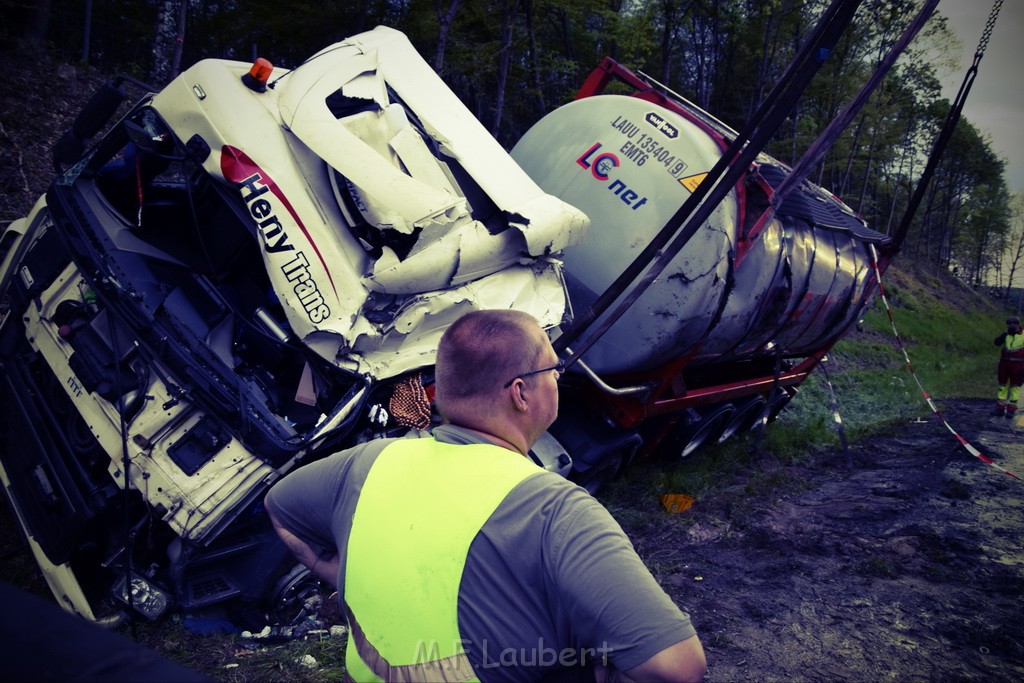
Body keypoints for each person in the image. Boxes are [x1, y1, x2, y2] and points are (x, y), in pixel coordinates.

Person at [264, 309, 706, 683]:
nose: (557, 380)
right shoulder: (556, 510)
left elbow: (279, 507)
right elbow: (678, 666)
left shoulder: (370, 461)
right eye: (553, 370)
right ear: (520, 393)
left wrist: (342, 575)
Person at [994, 315, 1024, 417]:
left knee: (1015, 387)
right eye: (1009, 324)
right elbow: (996, 343)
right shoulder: (1006, 334)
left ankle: (1011, 409)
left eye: (1013, 324)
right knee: (1002, 385)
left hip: (1018, 366)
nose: (1011, 326)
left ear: (1018, 325)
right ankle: (1000, 407)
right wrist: (1005, 334)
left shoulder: (1023, 335)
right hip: (1004, 364)